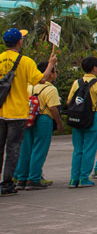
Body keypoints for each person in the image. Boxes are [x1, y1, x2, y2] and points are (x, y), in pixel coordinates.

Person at [0, 28, 56, 197]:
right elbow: (43, 79)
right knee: (13, 148)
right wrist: (51, 64)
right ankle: (7, 183)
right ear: (19, 42)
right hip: (17, 112)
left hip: (0, 110)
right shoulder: (25, 61)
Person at [14, 60, 64, 190]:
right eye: (54, 71)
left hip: (28, 118)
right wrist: (59, 123)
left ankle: (21, 178)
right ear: (50, 74)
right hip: (43, 119)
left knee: (26, 149)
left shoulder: (29, 86)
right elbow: (53, 108)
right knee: (39, 149)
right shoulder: (50, 89)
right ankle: (34, 178)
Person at [67, 56, 97, 188]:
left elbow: (69, 101)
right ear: (95, 68)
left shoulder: (76, 82)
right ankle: (84, 178)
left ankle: (74, 179)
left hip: (77, 118)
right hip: (92, 116)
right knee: (89, 149)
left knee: (77, 149)